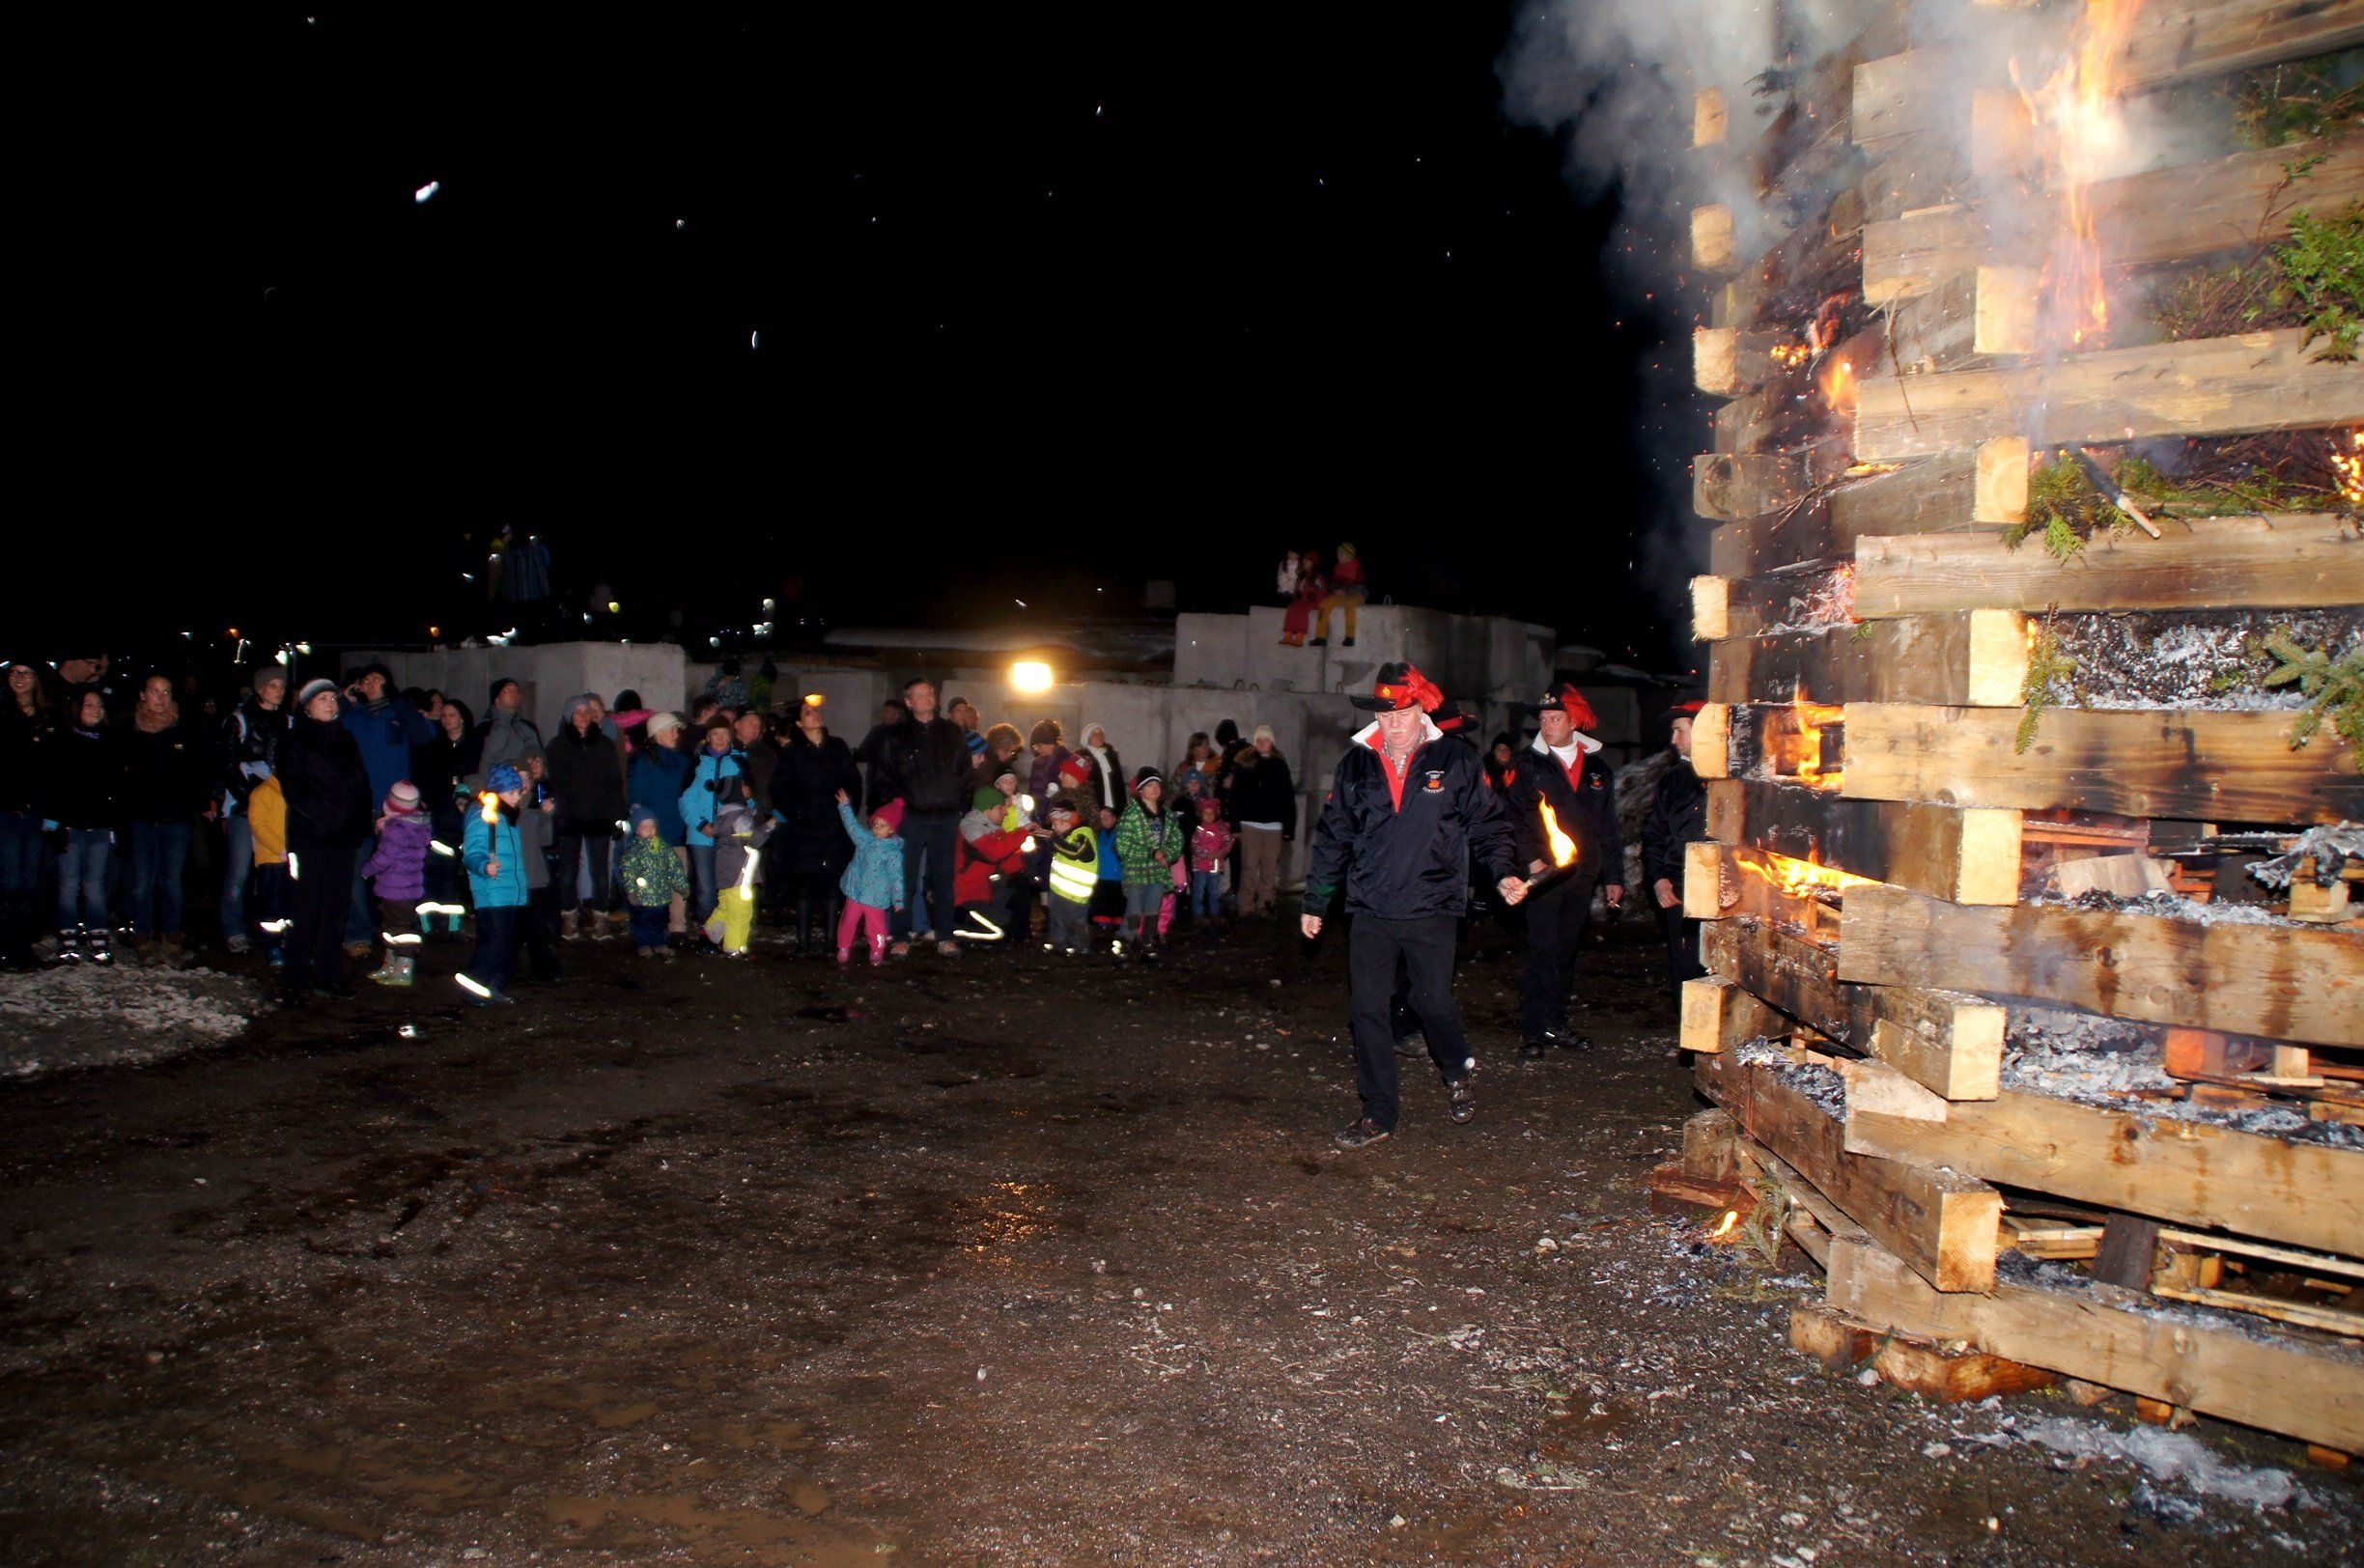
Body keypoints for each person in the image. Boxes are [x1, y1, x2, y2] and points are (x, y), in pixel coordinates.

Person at [1302, 663, 1526, 1148]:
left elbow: (1489, 825)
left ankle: (1456, 1067)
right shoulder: (1356, 764)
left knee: (1432, 1001)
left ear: (1421, 709)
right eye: (1384, 715)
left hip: (1433, 903)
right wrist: (1316, 900)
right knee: (1367, 1010)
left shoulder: (1457, 759)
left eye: (1401, 713)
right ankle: (1378, 1112)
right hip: (1371, 906)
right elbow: (1334, 836)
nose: (1393, 725)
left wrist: (1504, 871)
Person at [1504, 683, 1624, 1059]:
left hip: (1582, 874)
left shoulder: (1598, 769)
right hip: (1544, 874)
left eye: (1555, 719)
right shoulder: (1527, 764)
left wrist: (1614, 876)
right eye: (1543, 719)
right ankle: (1532, 1029)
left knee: (1567, 949)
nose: (1547, 726)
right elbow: (1513, 817)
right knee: (1541, 949)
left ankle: (1555, 1024)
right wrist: (1532, 861)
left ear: (1574, 722)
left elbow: (1607, 825)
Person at [278, 680, 374, 1005]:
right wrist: (328, 817)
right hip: (310, 837)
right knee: (305, 909)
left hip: (342, 838)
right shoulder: (294, 741)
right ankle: (293, 980)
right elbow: (295, 790)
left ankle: (328, 975)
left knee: (336, 909)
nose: (331, 703)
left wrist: (358, 823)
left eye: (333, 697)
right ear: (307, 706)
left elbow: (360, 783)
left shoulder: (345, 739)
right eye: (322, 698)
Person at [868, 678, 975, 957]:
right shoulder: (897, 736)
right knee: (904, 879)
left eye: (930, 693)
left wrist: (961, 807)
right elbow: (883, 775)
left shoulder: (951, 732)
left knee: (943, 880)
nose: (928, 697)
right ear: (908, 701)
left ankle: (945, 935)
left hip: (946, 816)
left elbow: (965, 772)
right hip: (911, 818)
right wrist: (894, 810)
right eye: (920, 694)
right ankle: (900, 936)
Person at [340, 665, 436, 954]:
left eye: (377, 678)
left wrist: (397, 700)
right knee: (356, 872)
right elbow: (329, 729)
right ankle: (358, 933)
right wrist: (345, 699)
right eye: (366, 679)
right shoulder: (353, 717)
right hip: (359, 808)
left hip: (397, 813)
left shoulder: (399, 714)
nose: (370, 682)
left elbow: (425, 735)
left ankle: (400, 934)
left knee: (399, 875)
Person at [119, 673, 214, 963]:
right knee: (142, 882)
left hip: (176, 819)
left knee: (171, 882)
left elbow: (199, 768)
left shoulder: (184, 729)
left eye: (166, 692)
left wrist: (203, 800)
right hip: (141, 820)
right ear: (143, 695)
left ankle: (172, 936)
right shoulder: (129, 730)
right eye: (155, 691)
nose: (161, 698)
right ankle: (143, 936)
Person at [775, 698, 861, 957]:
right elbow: (780, 790)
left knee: (832, 883)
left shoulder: (837, 747)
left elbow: (853, 780)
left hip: (834, 826)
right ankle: (803, 943)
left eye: (815, 711)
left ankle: (830, 942)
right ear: (799, 723)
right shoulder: (792, 752)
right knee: (805, 883)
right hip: (805, 828)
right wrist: (798, 813)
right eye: (807, 712)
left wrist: (847, 808)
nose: (814, 715)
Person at [41, 689, 120, 966]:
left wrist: (114, 822)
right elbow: (52, 782)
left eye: (99, 705)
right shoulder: (63, 740)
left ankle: (98, 936)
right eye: (89, 704)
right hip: (70, 826)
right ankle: (67, 937)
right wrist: (52, 822)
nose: (95, 709)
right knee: (68, 884)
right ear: (78, 709)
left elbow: (115, 786)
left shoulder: (109, 741)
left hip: (99, 826)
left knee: (95, 885)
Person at [217, 665, 291, 955]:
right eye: (273, 685)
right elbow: (228, 765)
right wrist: (253, 799)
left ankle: (273, 930)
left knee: (276, 872)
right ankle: (233, 928)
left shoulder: (288, 721)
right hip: (244, 806)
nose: (279, 691)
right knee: (239, 871)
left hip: (279, 808)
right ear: (260, 689)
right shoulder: (239, 720)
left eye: (281, 685)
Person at [546, 693, 629, 940]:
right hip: (570, 817)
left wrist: (617, 814)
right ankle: (569, 917)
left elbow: (614, 781)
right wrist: (558, 811)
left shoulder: (604, 744)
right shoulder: (557, 746)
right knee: (568, 871)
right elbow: (554, 783)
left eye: (586, 711)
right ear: (569, 716)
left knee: (600, 871)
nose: (583, 716)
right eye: (578, 712)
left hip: (599, 816)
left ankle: (600, 918)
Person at [1643, 700, 1710, 994]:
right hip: (1681, 888)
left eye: (1679, 730)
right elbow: (1654, 834)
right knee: (1686, 967)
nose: (1673, 739)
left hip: (1722, 888)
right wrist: (1659, 878)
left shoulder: (1730, 777)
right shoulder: (1672, 780)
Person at [458, 764, 530, 1005]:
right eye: (512, 792)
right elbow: (472, 853)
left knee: (510, 944)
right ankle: (474, 986)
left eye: (518, 792)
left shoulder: (508, 818)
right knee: (495, 943)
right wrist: (484, 866)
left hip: (513, 892)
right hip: (492, 892)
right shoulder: (483, 816)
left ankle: (494, 986)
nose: (517, 797)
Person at [0, 659, 56, 969]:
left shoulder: (46, 718)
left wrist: (53, 811)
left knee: (30, 882)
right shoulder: (3, 713)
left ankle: (22, 947)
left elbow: (53, 768)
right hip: (7, 810)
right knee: (10, 881)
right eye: (14, 672)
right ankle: (5, 947)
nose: (19, 678)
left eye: (25, 673)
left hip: (36, 812)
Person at [411, 697, 475, 939]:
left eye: (452, 715)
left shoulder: (474, 746)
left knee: (460, 871)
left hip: (468, 818)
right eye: (444, 715)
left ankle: (452, 923)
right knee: (441, 869)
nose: (447, 719)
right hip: (442, 820)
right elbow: (426, 780)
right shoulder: (434, 749)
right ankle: (438, 924)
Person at [628, 713, 694, 942]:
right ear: (658, 734)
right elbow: (637, 797)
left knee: (678, 879)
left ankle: (677, 927)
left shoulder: (683, 761)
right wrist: (642, 823)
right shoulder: (644, 762)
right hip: (653, 833)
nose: (676, 735)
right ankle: (649, 930)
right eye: (672, 730)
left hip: (677, 829)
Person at [358, 782, 432, 986]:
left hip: (395, 888)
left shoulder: (397, 830)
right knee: (392, 927)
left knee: (400, 930)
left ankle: (403, 969)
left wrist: (367, 870)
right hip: (404, 888)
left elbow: (385, 857)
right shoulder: (414, 826)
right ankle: (391, 964)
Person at [1224, 724, 1296, 916]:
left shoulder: (1280, 766)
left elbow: (1287, 797)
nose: (1262, 743)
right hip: (1250, 824)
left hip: (1274, 826)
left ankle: (1265, 903)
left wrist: (1288, 827)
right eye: (1259, 739)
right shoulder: (1245, 765)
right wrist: (1235, 824)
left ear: (1272, 742)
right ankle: (1245, 905)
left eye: (1266, 739)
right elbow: (1236, 795)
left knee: (1269, 869)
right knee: (1249, 867)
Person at [681, 716, 745, 920]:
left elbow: (748, 798)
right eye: (715, 733)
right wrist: (701, 824)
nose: (720, 738)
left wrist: (735, 824)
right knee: (706, 887)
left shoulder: (740, 761)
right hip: (701, 836)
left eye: (724, 733)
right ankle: (708, 930)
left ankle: (728, 928)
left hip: (730, 836)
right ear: (708, 737)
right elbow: (686, 798)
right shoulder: (697, 763)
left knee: (729, 886)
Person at [1113, 767, 1181, 956]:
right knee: (1134, 909)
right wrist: (1151, 853)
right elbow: (1122, 846)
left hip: (1158, 871)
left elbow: (1177, 839)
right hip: (1136, 870)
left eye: (1157, 785)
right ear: (1140, 790)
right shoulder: (1131, 815)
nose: (1154, 789)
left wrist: (1167, 855)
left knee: (1153, 908)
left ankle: (1148, 940)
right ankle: (1125, 940)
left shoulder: (1167, 815)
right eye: (1149, 785)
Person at [834, 791, 905, 966]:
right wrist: (845, 807)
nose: (877, 828)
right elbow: (852, 827)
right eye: (875, 824)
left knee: (876, 927)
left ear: (892, 829)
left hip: (876, 896)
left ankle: (877, 950)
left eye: (882, 825)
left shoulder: (892, 853)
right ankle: (843, 947)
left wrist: (898, 898)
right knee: (848, 921)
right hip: (856, 891)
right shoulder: (865, 839)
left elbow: (896, 876)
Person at [954, 785, 1033, 942]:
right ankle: (955, 929)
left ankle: (1017, 933)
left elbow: (1008, 861)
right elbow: (994, 852)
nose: (1005, 812)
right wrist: (1022, 832)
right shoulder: (971, 828)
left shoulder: (991, 828)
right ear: (988, 809)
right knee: (999, 932)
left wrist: (1027, 872)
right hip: (968, 899)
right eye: (1001, 807)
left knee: (1019, 884)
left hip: (984, 894)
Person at [514, 747, 564, 983]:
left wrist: (546, 817)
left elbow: (546, 840)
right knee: (513, 928)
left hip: (535, 878)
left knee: (537, 928)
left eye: (528, 779)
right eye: (520, 778)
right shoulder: (503, 812)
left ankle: (543, 968)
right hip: (513, 879)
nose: (525, 783)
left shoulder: (533, 812)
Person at [702, 801, 774, 957]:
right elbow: (753, 840)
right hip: (739, 880)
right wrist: (769, 826)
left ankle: (709, 935)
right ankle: (734, 948)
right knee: (740, 914)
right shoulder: (739, 821)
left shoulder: (725, 826)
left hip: (727, 879)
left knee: (726, 910)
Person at [621, 805, 690, 958]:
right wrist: (631, 891)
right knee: (641, 921)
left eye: (652, 827)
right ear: (637, 830)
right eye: (644, 827)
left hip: (661, 896)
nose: (649, 830)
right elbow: (628, 872)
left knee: (660, 921)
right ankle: (643, 944)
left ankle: (660, 943)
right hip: (642, 897)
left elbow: (675, 867)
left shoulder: (664, 849)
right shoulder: (633, 851)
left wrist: (681, 886)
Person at [1037, 796, 1097, 956]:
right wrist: (1050, 839)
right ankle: (1060, 945)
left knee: (1075, 921)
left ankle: (1081, 947)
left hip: (1075, 893)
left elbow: (1075, 852)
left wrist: (1053, 840)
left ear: (1067, 820)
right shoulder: (1065, 836)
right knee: (1057, 919)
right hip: (1059, 891)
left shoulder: (1083, 834)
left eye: (1056, 823)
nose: (1054, 827)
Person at [477, 678, 543, 779]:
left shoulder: (528, 728)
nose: (514, 694)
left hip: (524, 784)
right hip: (496, 784)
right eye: (507, 690)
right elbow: (482, 762)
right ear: (496, 699)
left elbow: (537, 754)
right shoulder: (485, 729)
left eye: (516, 690)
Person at [1309, 541, 1367, 648]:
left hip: (1357, 594)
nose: (1338, 556)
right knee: (1324, 604)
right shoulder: (1338, 567)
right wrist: (1336, 589)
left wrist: (1345, 591)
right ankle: (1320, 637)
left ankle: (1350, 637)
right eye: (1338, 554)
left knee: (1350, 604)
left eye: (1341, 554)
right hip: (1342, 594)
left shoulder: (1357, 568)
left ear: (1348, 555)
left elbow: (1361, 585)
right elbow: (1333, 583)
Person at [1189, 798, 1235, 927]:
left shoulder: (1221, 829)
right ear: (1201, 814)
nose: (1208, 816)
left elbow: (1229, 841)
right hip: (1200, 866)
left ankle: (1215, 913)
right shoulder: (1198, 830)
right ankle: (1198, 914)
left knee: (1214, 891)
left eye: (1211, 813)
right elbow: (1195, 845)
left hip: (1215, 865)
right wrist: (1207, 854)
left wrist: (1220, 853)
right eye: (1205, 813)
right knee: (1198, 891)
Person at [1280, 549, 1324, 647]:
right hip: (1301, 600)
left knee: (1303, 611)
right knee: (1292, 608)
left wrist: (1313, 594)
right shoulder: (1302, 575)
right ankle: (1288, 635)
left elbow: (1320, 591)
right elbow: (1297, 587)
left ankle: (1299, 637)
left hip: (1312, 602)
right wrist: (1297, 594)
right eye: (1305, 559)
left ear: (1313, 563)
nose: (1305, 561)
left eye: (1308, 560)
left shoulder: (1316, 577)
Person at [1077, 723, 1124, 814]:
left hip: (1113, 807)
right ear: (1087, 738)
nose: (1099, 736)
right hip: (1091, 806)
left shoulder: (1111, 757)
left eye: (1100, 734)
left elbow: (1119, 783)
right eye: (1094, 734)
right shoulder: (1081, 757)